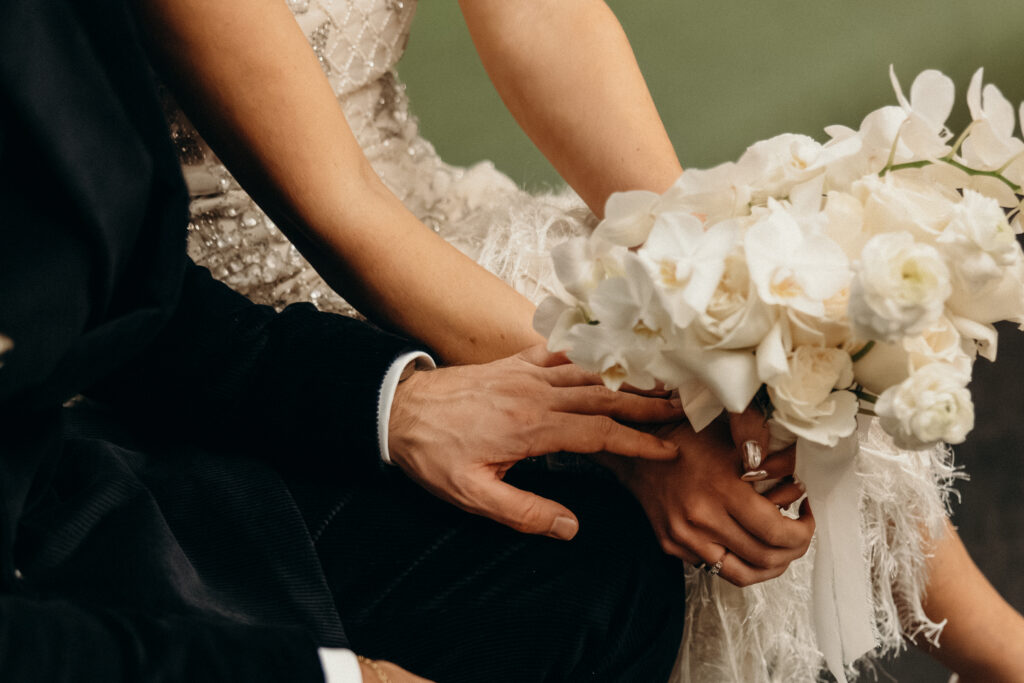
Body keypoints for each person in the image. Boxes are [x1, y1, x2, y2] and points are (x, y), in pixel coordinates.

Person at [147, 0, 1024, 680]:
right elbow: (341, 209)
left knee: (760, 321)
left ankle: (991, 649)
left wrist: (714, 262)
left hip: (427, 203)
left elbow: (543, 16)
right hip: (273, 304)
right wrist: (634, 413)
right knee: (637, 352)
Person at [0, 0, 817, 682]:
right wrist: (643, 433)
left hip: (213, 336)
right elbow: (339, 207)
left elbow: (132, 295)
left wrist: (708, 286)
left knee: (781, 370)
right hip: (285, 283)